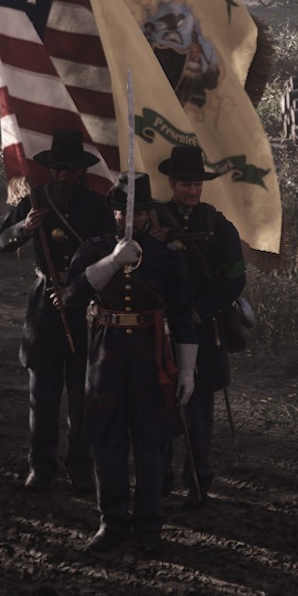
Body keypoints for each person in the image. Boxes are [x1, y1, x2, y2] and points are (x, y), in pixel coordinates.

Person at [64, 173, 197, 556]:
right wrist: (110, 262)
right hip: (105, 359)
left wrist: (187, 370)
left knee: (152, 445)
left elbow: (184, 316)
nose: (130, 218)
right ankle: (112, 521)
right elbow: (72, 296)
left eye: (138, 213)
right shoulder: (93, 250)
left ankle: (150, 523)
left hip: (151, 358)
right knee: (107, 443)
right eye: (124, 210)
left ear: (147, 216)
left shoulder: (167, 258)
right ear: (114, 212)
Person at [0, 128, 116, 493]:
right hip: (45, 304)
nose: (61, 175)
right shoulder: (35, 199)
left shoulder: (96, 206)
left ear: (79, 171)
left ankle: (79, 467)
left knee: (82, 392)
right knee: (43, 392)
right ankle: (40, 465)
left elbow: (108, 252)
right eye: (56, 169)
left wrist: (78, 289)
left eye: (68, 170)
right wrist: (24, 228)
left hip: (82, 306)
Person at [152, 144, 245, 503]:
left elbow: (234, 278)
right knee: (161, 402)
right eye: (184, 184)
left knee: (200, 408)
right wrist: (151, 243)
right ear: (172, 183)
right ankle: (160, 476)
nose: (191, 191)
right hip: (160, 327)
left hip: (202, 327)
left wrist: (200, 312)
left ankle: (199, 481)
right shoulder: (154, 220)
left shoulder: (218, 225)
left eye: (196, 185)